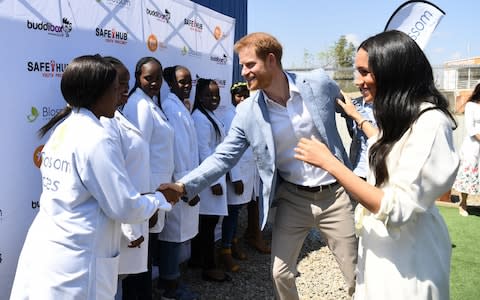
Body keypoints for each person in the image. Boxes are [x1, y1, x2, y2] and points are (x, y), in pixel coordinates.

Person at [161, 32, 357, 299]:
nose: (243, 72)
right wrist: (184, 186)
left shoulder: (318, 83)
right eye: (242, 66)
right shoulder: (247, 112)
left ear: (272, 60)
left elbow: (350, 111)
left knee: (354, 273)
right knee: (280, 274)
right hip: (293, 198)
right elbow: (223, 157)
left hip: (335, 196)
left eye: (249, 65)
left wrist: (358, 165)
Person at [294, 30, 459, 300]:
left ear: (392, 72)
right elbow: (386, 145)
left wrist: (331, 164)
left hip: (408, 263)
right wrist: (357, 118)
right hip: (384, 252)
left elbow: (396, 208)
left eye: (365, 72)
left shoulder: (430, 123)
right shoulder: (404, 118)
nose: (358, 81)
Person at [10, 54, 175, 299]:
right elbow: (125, 207)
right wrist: (161, 198)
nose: (121, 93)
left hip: (52, 251)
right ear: (98, 92)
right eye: (115, 87)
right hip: (77, 263)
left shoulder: (64, 128)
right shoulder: (96, 138)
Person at [122, 56, 174, 299]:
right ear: (137, 78)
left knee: (147, 254)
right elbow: (138, 156)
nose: (154, 82)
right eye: (148, 78)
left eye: (158, 78)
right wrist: (148, 202)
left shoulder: (151, 103)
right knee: (140, 257)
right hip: (148, 189)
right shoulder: (139, 105)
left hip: (157, 190)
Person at [101, 56, 153, 300]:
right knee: (115, 284)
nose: (125, 88)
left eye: (126, 82)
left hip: (135, 210)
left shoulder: (117, 115)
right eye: (120, 83)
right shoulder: (105, 125)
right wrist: (132, 228)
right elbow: (115, 182)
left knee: (123, 281)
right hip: (123, 221)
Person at [156, 65, 200, 300]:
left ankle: (172, 282)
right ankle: (169, 289)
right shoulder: (172, 108)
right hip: (178, 183)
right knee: (172, 238)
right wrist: (188, 187)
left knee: (177, 237)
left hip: (184, 179)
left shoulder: (179, 107)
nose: (187, 85)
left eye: (189, 81)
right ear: (170, 83)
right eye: (182, 81)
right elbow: (179, 150)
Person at [189, 78, 231, 282]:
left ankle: (197, 261)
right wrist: (213, 181)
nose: (214, 98)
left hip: (213, 177)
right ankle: (209, 267)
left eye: (216, 95)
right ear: (199, 96)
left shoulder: (208, 115)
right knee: (207, 226)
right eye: (208, 95)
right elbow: (203, 151)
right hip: (209, 180)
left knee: (207, 224)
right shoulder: (199, 118)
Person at [453, 82, 480, 216]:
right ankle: (463, 203)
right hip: (473, 146)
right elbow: (470, 128)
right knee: (469, 172)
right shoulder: (471, 106)